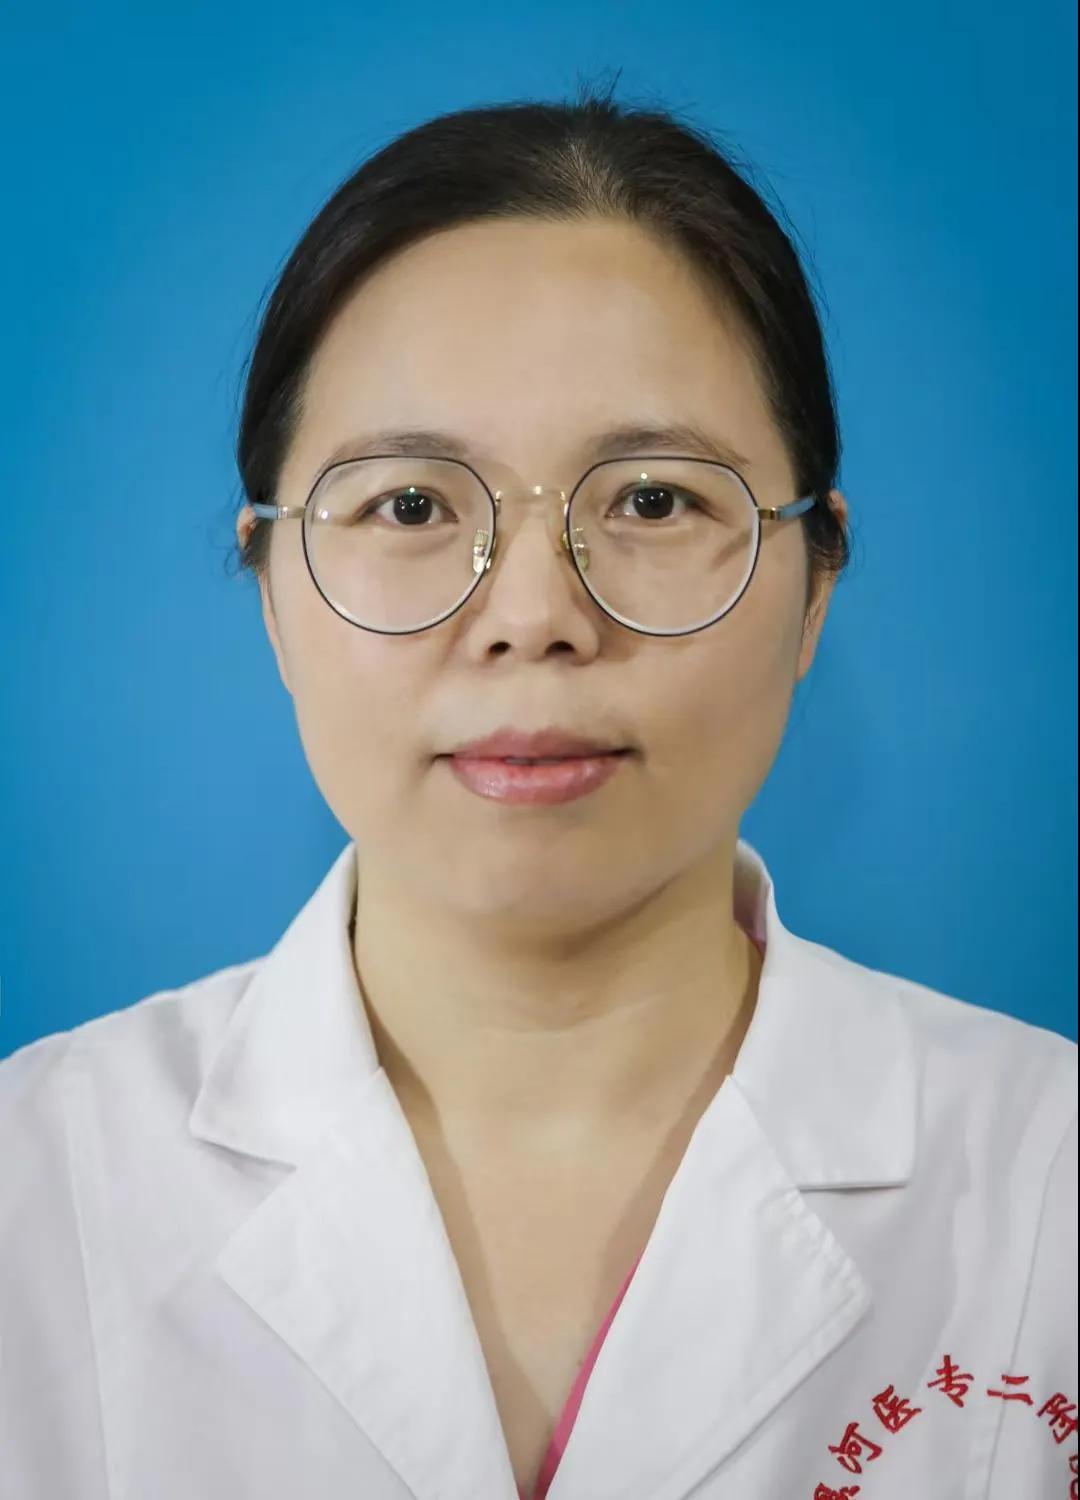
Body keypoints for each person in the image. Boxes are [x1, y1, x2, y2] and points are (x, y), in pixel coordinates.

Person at [2, 83, 1076, 1500]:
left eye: (652, 501)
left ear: (816, 581)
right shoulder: (32, 1184)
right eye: (409, 506)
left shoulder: (1050, 1181)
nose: (531, 618)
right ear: (268, 588)